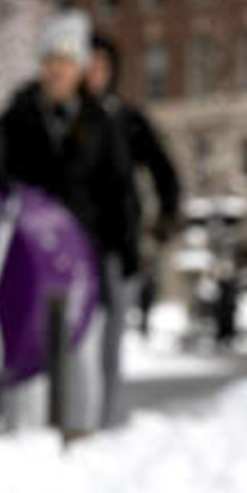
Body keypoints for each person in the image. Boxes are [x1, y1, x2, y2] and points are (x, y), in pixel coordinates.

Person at [0, 13, 133, 438]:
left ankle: (80, 436)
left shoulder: (101, 122)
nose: (58, 69)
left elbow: (120, 191)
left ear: (80, 68)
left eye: (67, 61)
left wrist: (124, 251)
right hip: (27, 257)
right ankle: (25, 437)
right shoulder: (17, 116)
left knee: (81, 349)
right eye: (51, 60)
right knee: (27, 346)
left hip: (84, 257)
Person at [86, 34, 180, 420]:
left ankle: (103, 418)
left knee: (109, 341)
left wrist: (164, 220)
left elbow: (164, 172)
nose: (93, 73)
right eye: (87, 64)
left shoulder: (127, 120)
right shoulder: (64, 118)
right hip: (73, 246)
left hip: (117, 244)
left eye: (101, 65)